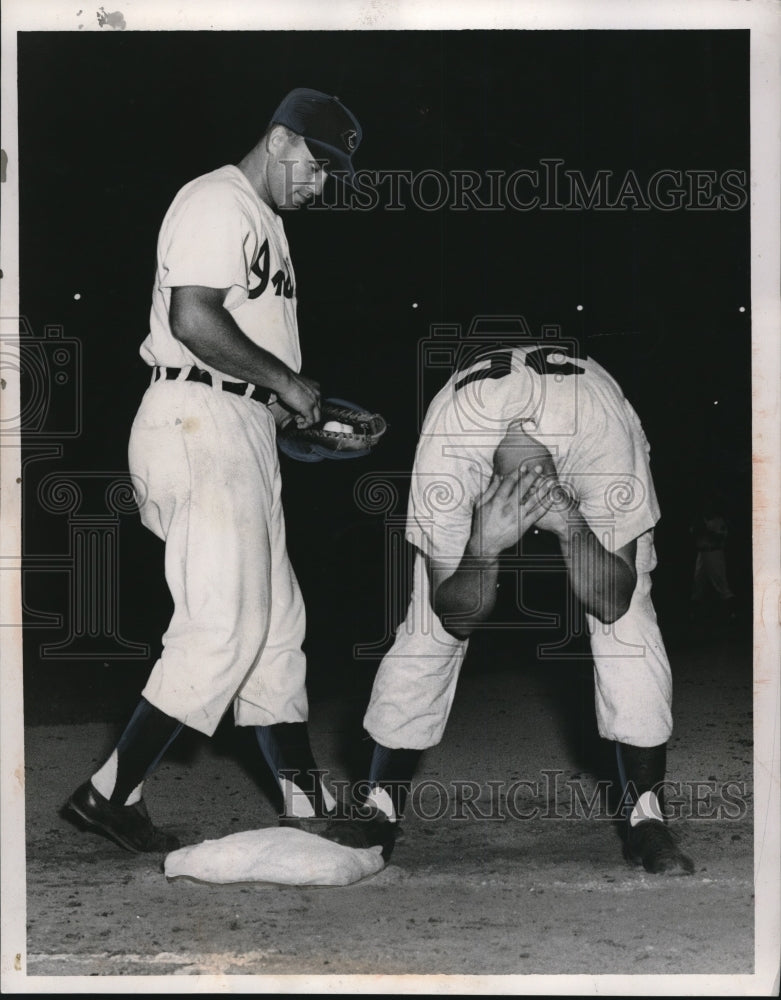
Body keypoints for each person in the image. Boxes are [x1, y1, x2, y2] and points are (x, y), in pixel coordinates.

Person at [64, 88, 363, 852]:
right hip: (194, 418)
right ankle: (110, 794)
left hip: (238, 427)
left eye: (333, 171)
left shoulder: (264, 222)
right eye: (318, 164)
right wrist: (287, 384)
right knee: (221, 624)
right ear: (278, 139)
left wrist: (296, 414)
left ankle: (302, 799)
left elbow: (246, 349)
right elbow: (193, 319)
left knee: (275, 628)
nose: (322, 182)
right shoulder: (215, 200)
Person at [325, 332, 694, 876]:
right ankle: (378, 808)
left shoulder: (601, 439)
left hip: (591, 404)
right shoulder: (450, 452)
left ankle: (648, 819)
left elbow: (612, 601)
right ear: (487, 478)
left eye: (540, 487)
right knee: (427, 620)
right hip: (471, 422)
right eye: (516, 489)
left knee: (630, 611)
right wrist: (482, 549)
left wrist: (571, 527)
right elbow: (455, 614)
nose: (530, 500)